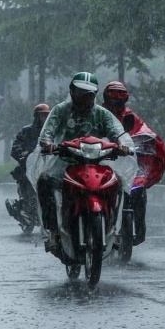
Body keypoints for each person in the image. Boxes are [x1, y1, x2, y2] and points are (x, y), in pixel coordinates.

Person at [36, 72, 133, 251]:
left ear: (94, 95)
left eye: (88, 94)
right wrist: (48, 143)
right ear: (72, 91)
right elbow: (47, 131)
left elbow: (116, 132)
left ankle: (114, 228)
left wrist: (123, 145)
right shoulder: (60, 110)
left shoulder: (102, 114)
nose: (84, 98)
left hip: (99, 164)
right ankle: (53, 232)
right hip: (64, 163)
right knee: (44, 181)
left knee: (119, 183)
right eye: (80, 92)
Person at [102, 81, 165, 241]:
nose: (116, 104)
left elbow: (144, 131)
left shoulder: (130, 116)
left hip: (125, 164)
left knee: (138, 189)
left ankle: (139, 227)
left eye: (120, 101)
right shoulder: (98, 113)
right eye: (113, 100)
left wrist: (147, 141)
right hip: (101, 162)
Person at [6, 103, 50, 221]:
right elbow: (16, 146)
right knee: (25, 180)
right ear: (37, 116)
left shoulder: (51, 131)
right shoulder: (27, 130)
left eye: (47, 115)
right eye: (42, 115)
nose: (45, 118)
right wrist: (22, 153)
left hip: (46, 165)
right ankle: (26, 206)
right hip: (28, 166)